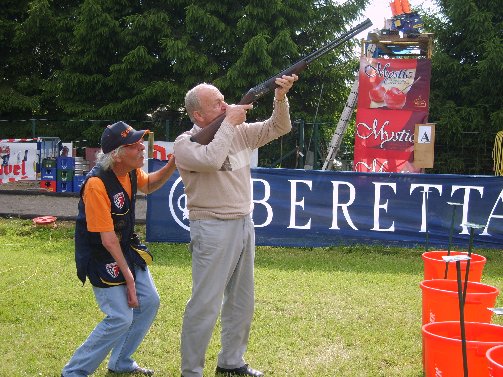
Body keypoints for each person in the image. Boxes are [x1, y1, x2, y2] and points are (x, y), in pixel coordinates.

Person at [174, 74, 298, 377]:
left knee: (241, 301)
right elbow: (213, 159)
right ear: (198, 115)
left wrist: (280, 98)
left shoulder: (238, 131)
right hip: (212, 227)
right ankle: (191, 371)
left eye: (223, 99)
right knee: (204, 304)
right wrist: (229, 122)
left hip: (244, 222)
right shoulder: (184, 144)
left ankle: (231, 362)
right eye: (216, 104)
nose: (225, 105)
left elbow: (279, 127)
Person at [62, 121, 177, 377]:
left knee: (149, 302)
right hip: (101, 254)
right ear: (117, 154)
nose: (141, 149)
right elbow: (107, 240)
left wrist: (172, 164)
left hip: (124, 247)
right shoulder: (96, 184)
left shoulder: (131, 172)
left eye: (140, 143)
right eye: (134, 145)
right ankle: (75, 372)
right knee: (120, 318)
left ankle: (121, 362)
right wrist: (130, 281)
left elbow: (149, 185)